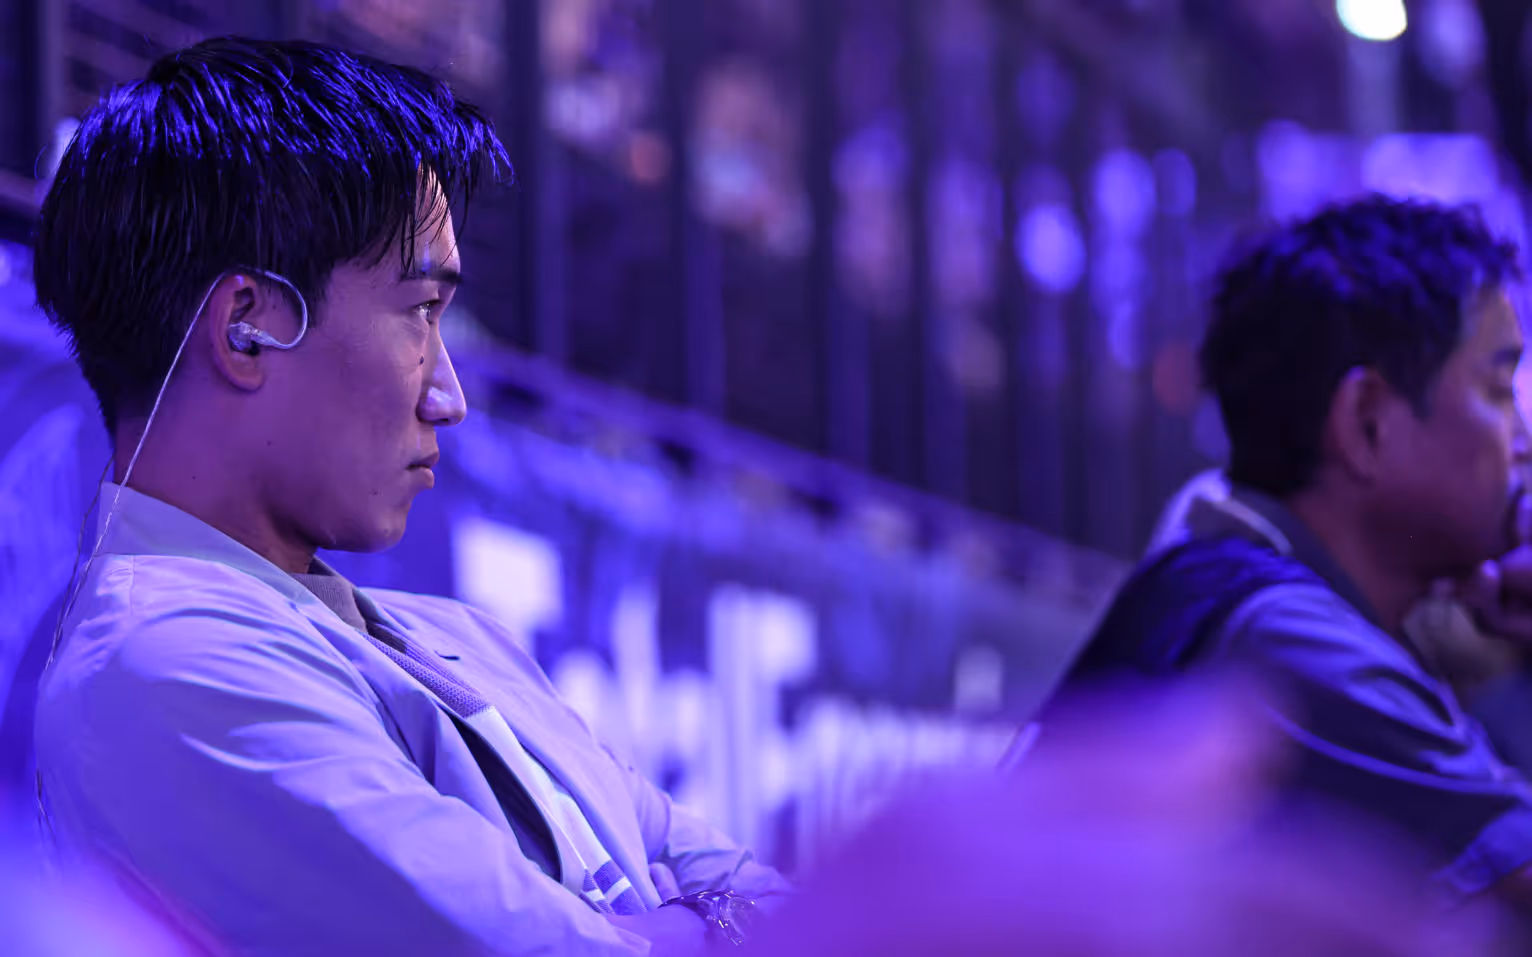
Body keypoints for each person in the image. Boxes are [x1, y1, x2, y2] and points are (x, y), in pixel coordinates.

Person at [31, 37, 784, 956]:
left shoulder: (461, 637)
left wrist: (684, 924)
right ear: (247, 327)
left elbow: (782, 909)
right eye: (421, 312)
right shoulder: (168, 663)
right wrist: (698, 920)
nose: (448, 395)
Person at [1050, 196, 1532, 910]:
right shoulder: (1295, 645)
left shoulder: (1236, 576)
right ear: (1367, 423)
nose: (1523, 439)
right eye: (1497, 391)